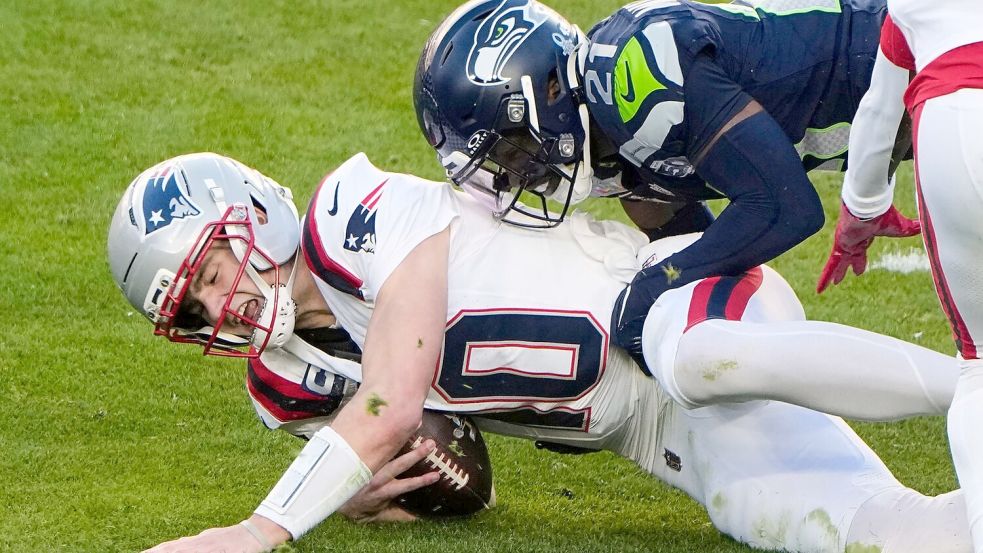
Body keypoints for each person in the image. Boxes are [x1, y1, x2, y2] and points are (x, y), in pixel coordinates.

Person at [109, 152, 969, 553]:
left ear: (254, 214)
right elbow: (438, 455)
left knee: (701, 358)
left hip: (667, 302)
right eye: (193, 306)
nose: (220, 304)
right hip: (644, 428)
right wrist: (361, 495)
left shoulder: (348, 216)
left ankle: (965, 384)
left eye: (213, 270)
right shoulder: (283, 387)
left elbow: (392, 401)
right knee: (868, 533)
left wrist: (259, 529)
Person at [412, 0, 921, 364]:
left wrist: (654, 287)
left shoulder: (634, 74)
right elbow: (698, 247)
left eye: (508, 146)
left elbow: (782, 208)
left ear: (544, 88)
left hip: (923, 64)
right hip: (906, 111)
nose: (516, 172)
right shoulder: (610, 151)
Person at [818, 0, 983, 547]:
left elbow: (881, 106)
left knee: (979, 370)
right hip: (953, 106)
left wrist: (861, 211)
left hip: (955, 126)